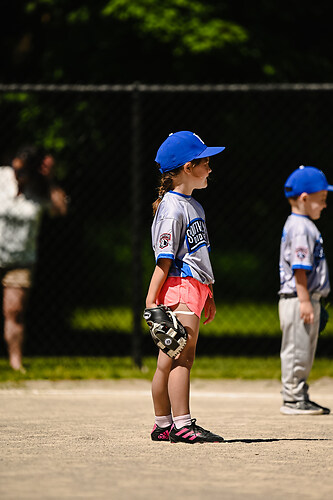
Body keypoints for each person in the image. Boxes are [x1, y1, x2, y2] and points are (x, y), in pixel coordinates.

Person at [145, 131, 225, 443]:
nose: (210, 168)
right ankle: (181, 424)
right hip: (179, 286)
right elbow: (164, 259)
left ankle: (164, 424)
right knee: (181, 358)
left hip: (194, 287)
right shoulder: (172, 207)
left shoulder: (193, 206)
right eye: (206, 162)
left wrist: (209, 292)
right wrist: (152, 298)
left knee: (169, 359)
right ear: (188, 167)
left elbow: (199, 254)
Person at [0, 145, 68, 372]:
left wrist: (49, 180)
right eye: (15, 169)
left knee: (15, 310)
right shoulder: (2, 178)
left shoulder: (40, 191)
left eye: (23, 172)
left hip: (21, 259)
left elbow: (60, 210)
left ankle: (15, 362)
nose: (17, 175)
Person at [278, 165, 332, 415]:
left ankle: (299, 395)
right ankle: (292, 399)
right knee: (297, 352)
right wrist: (306, 301)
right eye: (321, 200)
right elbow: (300, 268)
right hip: (299, 298)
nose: (324, 205)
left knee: (304, 351)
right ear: (304, 198)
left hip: (304, 298)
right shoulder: (301, 227)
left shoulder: (302, 224)